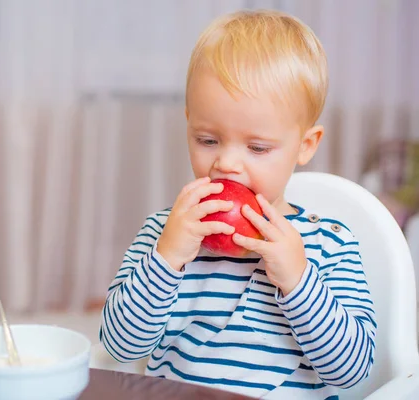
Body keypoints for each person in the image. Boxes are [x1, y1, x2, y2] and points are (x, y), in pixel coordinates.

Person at [99, 9, 376, 399]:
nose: (226, 163)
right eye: (208, 140)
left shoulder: (329, 244)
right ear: (188, 123)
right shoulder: (165, 232)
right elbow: (119, 345)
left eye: (257, 147)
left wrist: (298, 281)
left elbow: (354, 371)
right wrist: (166, 259)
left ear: (306, 145)